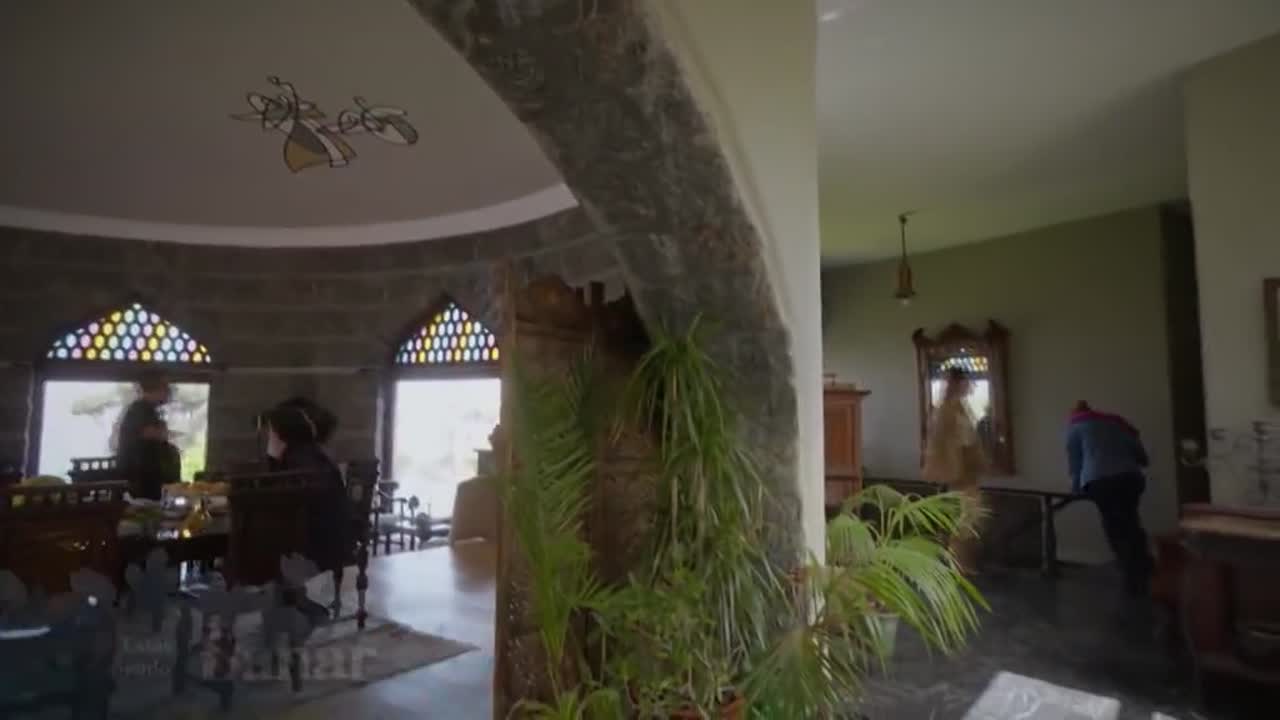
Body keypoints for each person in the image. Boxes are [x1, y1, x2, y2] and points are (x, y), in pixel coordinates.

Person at [1067, 401, 1154, 596]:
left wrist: (1076, 489)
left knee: (1114, 525)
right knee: (1130, 520)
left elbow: (1075, 463)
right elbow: (1142, 458)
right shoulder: (1117, 423)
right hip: (1131, 478)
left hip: (1101, 482)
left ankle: (1129, 570)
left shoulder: (1075, 426)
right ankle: (1142, 564)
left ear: (1075, 414)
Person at [262, 403, 347, 573]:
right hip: (336, 539)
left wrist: (272, 458)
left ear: (282, 433)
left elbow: (275, 499)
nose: (269, 436)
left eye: (271, 431)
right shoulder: (317, 454)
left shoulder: (294, 460)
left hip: (309, 544)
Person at [922, 367, 986, 574]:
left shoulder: (959, 408)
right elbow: (945, 442)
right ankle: (957, 564)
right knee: (963, 518)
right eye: (964, 382)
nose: (968, 386)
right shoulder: (946, 411)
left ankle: (961, 562)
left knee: (969, 517)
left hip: (965, 471)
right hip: (956, 473)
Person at [114, 370, 181, 500]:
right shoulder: (139, 409)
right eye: (165, 388)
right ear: (156, 389)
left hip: (148, 474)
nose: (168, 392)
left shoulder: (148, 409)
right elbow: (151, 433)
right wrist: (164, 434)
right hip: (141, 476)